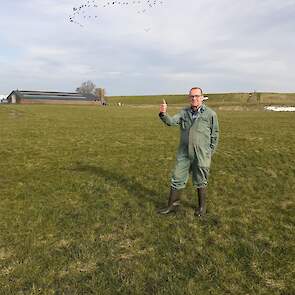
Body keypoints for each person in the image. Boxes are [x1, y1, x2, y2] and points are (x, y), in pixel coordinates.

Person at [158, 87, 219, 216]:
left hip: (201, 155)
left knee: (201, 180)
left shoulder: (210, 114)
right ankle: (172, 206)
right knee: (177, 178)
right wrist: (163, 114)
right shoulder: (184, 112)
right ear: (189, 98)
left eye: (197, 96)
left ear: (202, 97)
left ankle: (202, 207)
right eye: (192, 96)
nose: (194, 98)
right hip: (184, 153)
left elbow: (215, 135)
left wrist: (209, 153)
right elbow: (171, 122)